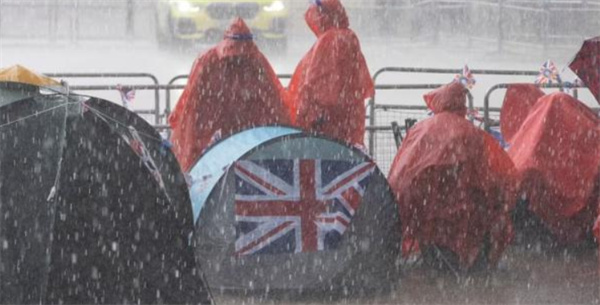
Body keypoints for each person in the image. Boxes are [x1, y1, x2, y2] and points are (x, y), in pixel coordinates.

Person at [388, 82, 516, 271]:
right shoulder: (472, 133)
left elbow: (400, 174)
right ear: (462, 105)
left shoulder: (420, 130)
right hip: (465, 212)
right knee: (494, 210)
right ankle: (472, 262)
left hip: (425, 212)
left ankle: (435, 257)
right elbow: (494, 174)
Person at [169, 18, 291, 172]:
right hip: (246, 134)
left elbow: (190, 101)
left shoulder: (208, 60)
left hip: (216, 134)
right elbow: (275, 101)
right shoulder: (256, 61)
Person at [287, 0, 374, 147]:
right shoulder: (348, 36)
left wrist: (306, 116)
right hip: (349, 123)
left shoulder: (329, 40)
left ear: (322, 15)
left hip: (327, 127)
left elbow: (319, 86)